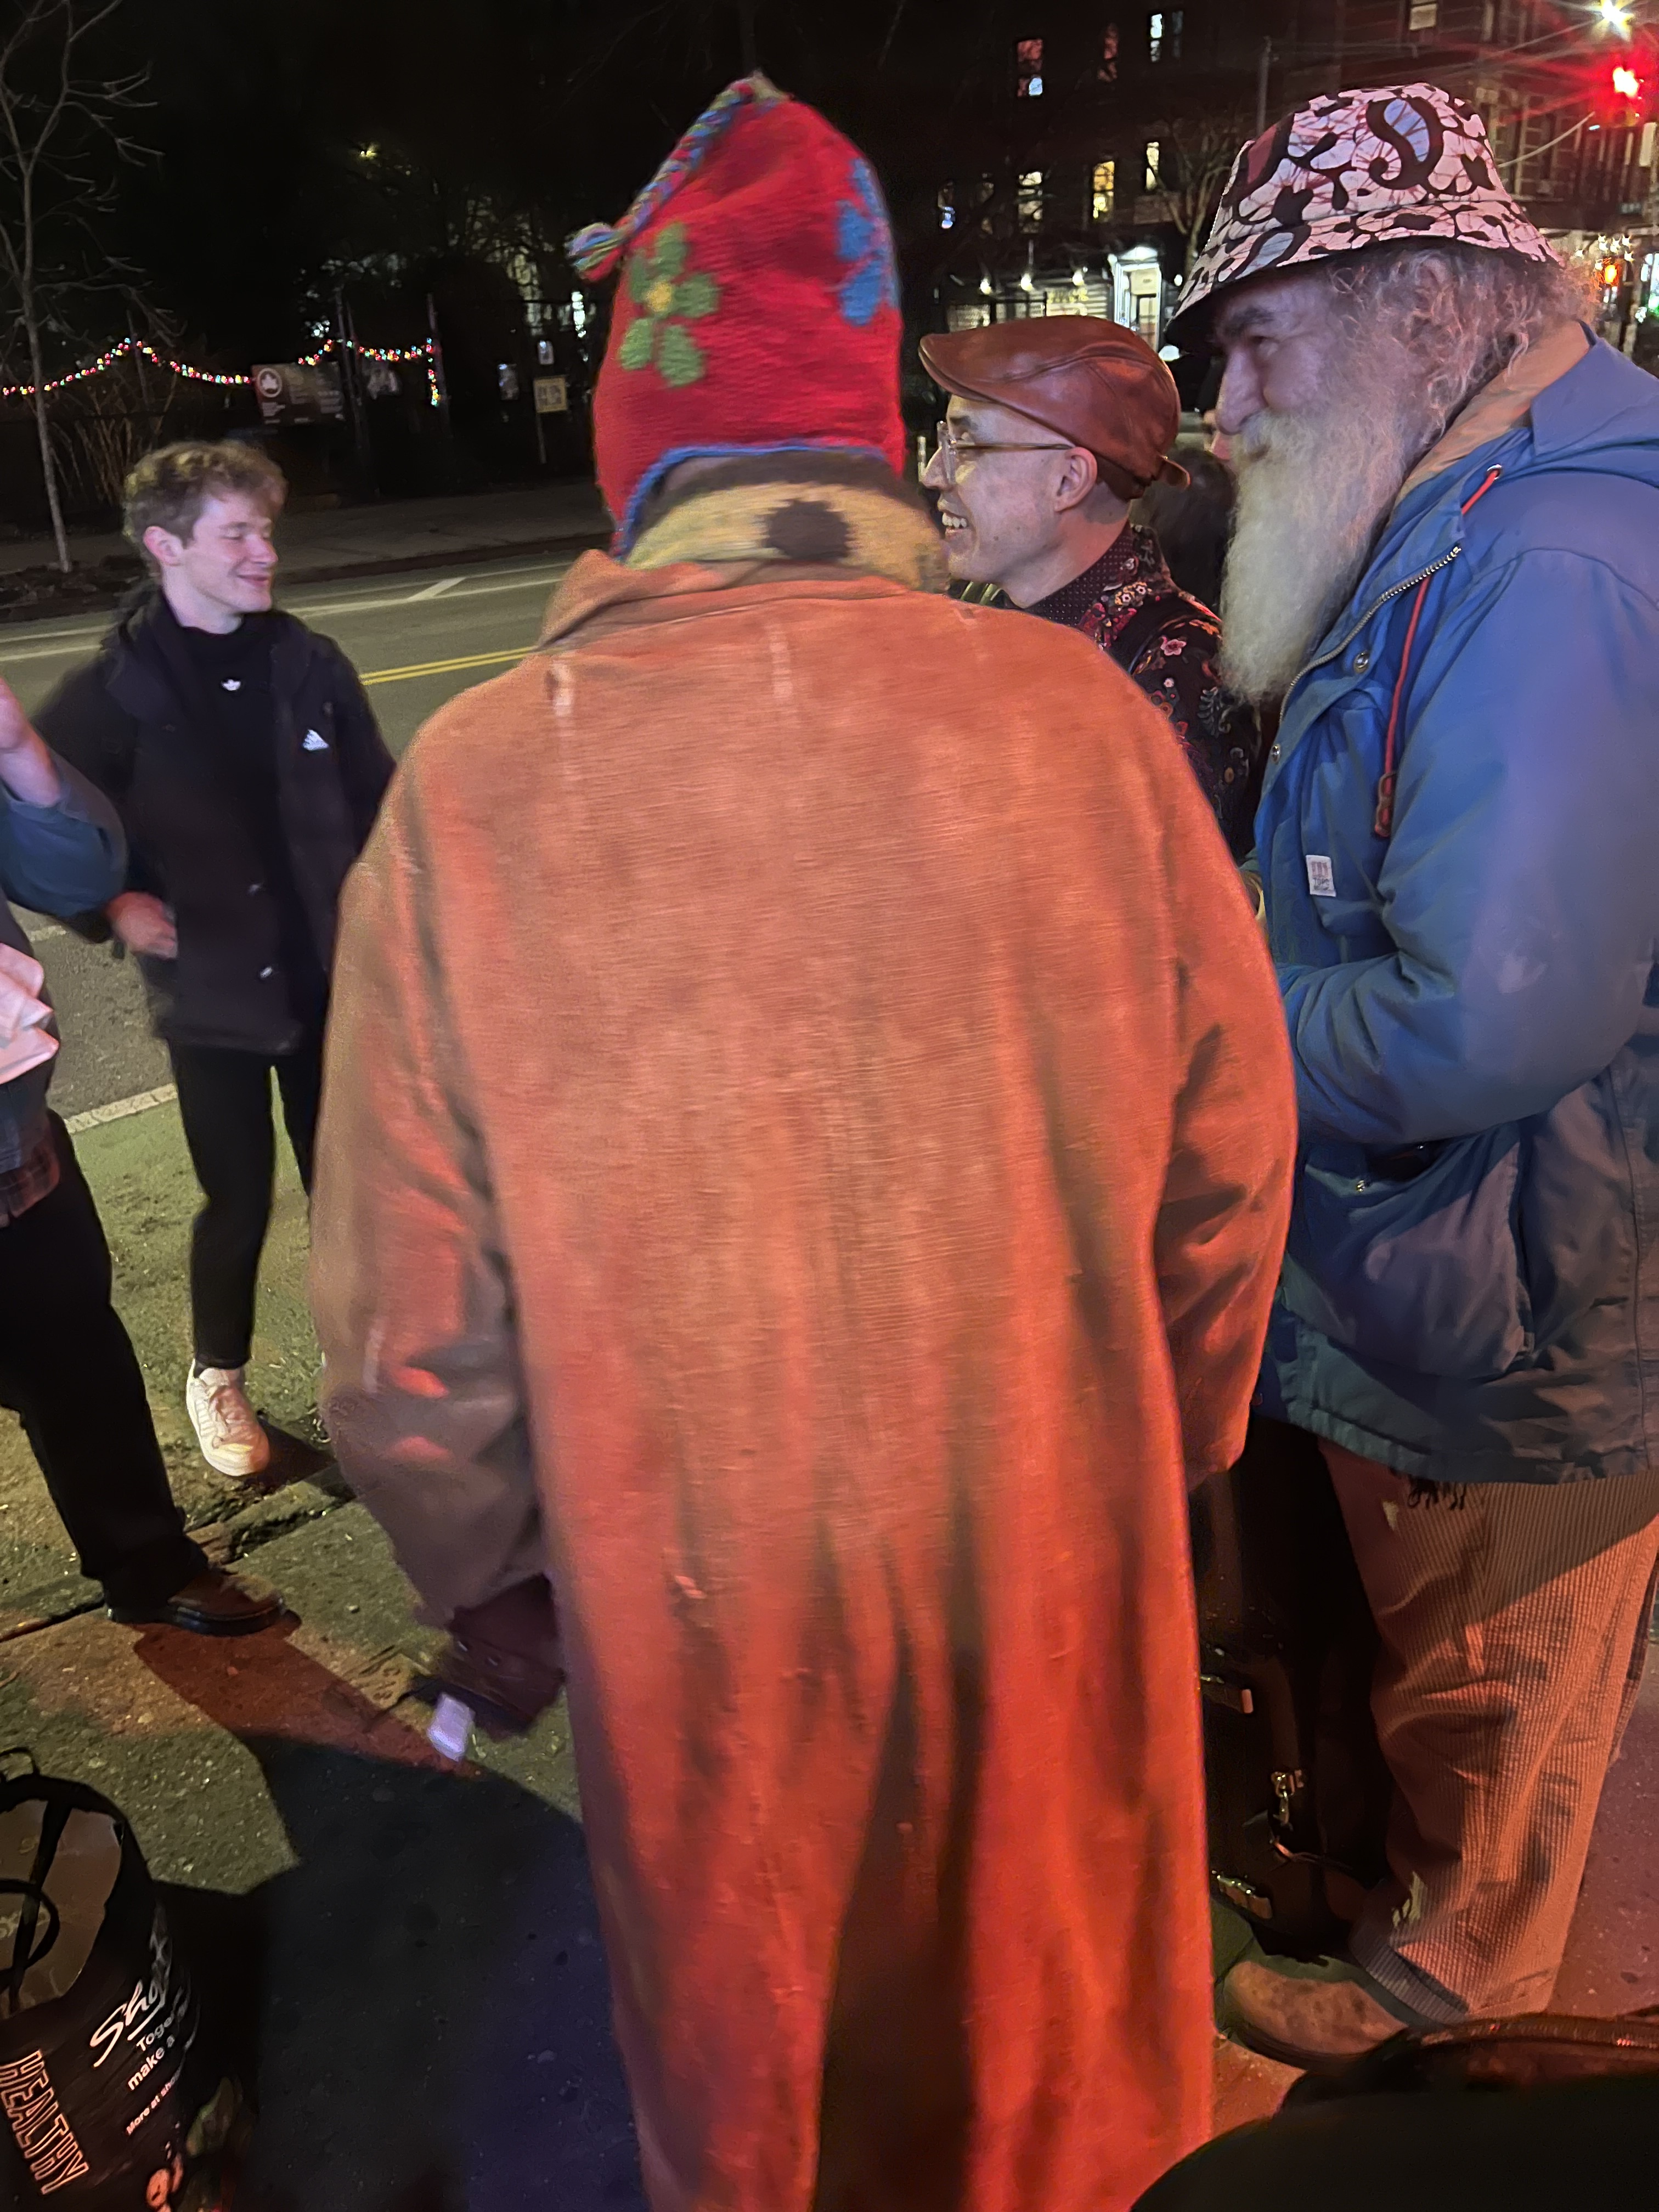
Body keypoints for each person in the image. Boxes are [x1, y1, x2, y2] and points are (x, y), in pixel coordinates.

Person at [311, 75, 1296, 2212]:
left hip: (717, 1662)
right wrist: (1154, 1455)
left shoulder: (482, 792)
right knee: (1066, 2097)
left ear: (640, 447)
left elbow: (404, 1351)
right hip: (1051, 1612)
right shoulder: (1081, 737)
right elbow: (1227, 1183)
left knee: (780, 2111)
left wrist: (504, 1586)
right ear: (866, 439)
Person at [1165, 81, 1659, 2068]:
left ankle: (1474, 2009)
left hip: (1510, 1300)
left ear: (1421, 307)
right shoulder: (1488, 506)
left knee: (1489, 1677)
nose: (1220, 412)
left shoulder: (1540, 563)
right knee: (1513, 1682)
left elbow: (1485, 1020)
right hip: (1492, 1266)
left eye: (1255, 344)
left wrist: (1203, 1023)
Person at [36, 441, 395, 1481]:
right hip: (215, 1001)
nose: (263, 551)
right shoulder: (115, 692)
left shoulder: (311, 666)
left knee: (349, 1193)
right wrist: (108, 902)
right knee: (237, 1199)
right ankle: (217, 1373)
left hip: (331, 985)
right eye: (237, 533)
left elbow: (384, 807)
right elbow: (38, 825)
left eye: (265, 529)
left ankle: (359, 1361)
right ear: (166, 546)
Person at [0, 674, 281, 1633]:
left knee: (79, 1369)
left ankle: (149, 1566)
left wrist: (20, 757)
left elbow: (76, 875)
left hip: (12, 1140)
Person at [919, 317, 1260, 855]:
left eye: (966, 443)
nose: (934, 474)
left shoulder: (1179, 666)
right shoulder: (978, 608)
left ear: (1069, 480)